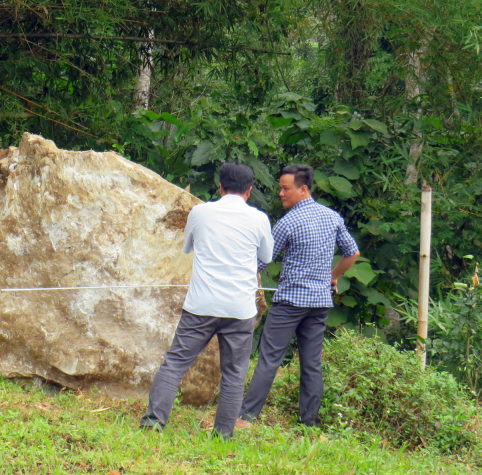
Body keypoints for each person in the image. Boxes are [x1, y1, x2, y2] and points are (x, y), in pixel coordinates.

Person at [140, 162, 274, 439]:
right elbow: (267, 256)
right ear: (249, 191)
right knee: (235, 374)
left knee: (175, 363)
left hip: (201, 305)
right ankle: (223, 436)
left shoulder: (200, 212)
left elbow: (188, 246)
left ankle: (153, 425)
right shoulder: (259, 218)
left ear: (220, 186)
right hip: (239, 308)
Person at [237, 164, 359, 428]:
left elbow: (262, 262)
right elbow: (352, 253)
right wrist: (333, 276)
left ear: (303, 190)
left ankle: (246, 418)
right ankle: (309, 424)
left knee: (269, 360)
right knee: (312, 364)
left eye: (285, 189)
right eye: (280, 188)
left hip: (289, 303)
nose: (281, 193)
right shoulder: (332, 217)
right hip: (319, 304)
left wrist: (239, 278)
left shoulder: (287, 223)